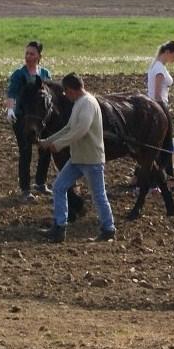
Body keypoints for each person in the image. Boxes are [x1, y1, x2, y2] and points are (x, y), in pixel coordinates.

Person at [38, 73, 115, 243]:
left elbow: (81, 129)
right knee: (59, 187)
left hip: (91, 159)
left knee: (98, 195)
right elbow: (68, 128)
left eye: (65, 92)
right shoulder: (79, 103)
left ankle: (108, 228)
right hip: (78, 158)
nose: (65, 95)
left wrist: (58, 145)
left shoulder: (87, 103)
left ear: (70, 90)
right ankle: (59, 227)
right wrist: (46, 142)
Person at [5, 41, 53, 202]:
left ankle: (40, 183)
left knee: (46, 150)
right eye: (27, 53)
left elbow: (49, 95)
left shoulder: (45, 73)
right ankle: (25, 189)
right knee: (25, 153)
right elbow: (11, 93)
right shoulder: (19, 74)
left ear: (39, 56)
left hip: (40, 119)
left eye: (32, 54)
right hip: (23, 119)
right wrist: (10, 109)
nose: (28, 57)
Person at [145, 40, 174, 193]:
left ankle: (160, 178)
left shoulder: (158, 66)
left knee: (163, 145)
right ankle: (166, 180)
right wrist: (162, 112)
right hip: (159, 107)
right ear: (168, 52)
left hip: (157, 107)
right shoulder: (158, 68)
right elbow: (157, 94)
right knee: (166, 146)